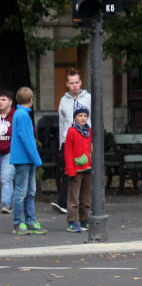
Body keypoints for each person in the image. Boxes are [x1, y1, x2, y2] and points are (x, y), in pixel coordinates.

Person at [9, 87, 45, 235]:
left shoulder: (19, 114)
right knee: (23, 191)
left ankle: (29, 221)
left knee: (29, 191)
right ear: (31, 100)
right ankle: (20, 222)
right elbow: (28, 140)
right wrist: (37, 159)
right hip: (25, 158)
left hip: (24, 158)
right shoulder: (23, 116)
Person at [55, 70, 91, 215]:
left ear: (81, 82)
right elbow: (62, 122)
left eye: (77, 82)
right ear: (67, 84)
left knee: (84, 173)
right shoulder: (64, 100)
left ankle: (83, 203)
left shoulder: (88, 98)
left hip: (84, 140)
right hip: (67, 140)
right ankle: (65, 202)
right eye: (71, 83)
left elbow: (93, 118)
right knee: (69, 171)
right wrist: (61, 142)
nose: (74, 86)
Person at [63, 105, 92, 232]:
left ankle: (85, 220)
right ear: (75, 117)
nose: (83, 118)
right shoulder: (71, 131)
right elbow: (68, 151)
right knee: (73, 197)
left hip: (88, 168)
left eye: (85, 116)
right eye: (80, 116)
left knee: (86, 197)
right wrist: (70, 169)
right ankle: (72, 221)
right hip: (75, 169)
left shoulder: (89, 131)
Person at [0, 90, 13, 215]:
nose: (0, 102)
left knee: (6, 178)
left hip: (9, 151)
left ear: (10, 102)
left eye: (4, 99)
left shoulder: (15, 115)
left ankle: (6, 204)